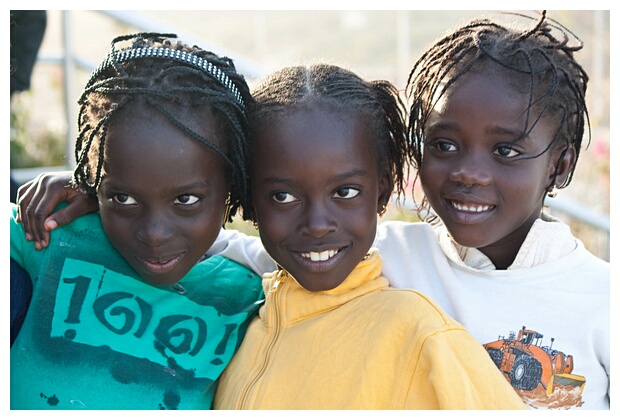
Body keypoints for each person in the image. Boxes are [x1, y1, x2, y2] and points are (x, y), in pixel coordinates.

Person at [16, 11, 610, 410]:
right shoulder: (381, 256)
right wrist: (107, 190)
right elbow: (210, 237)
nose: (469, 172)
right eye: (445, 144)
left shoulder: (597, 302)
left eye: (505, 150)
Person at [212, 64, 525, 409]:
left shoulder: (420, 336)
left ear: (381, 192)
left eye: (345, 192)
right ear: (249, 201)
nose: (317, 225)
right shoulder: (237, 330)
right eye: (283, 196)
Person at [10, 32, 263, 410]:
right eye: (124, 198)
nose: (154, 234)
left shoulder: (248, 291)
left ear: (233, 187)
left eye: (186, 200)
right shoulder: (48, 234)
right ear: (95, 182)